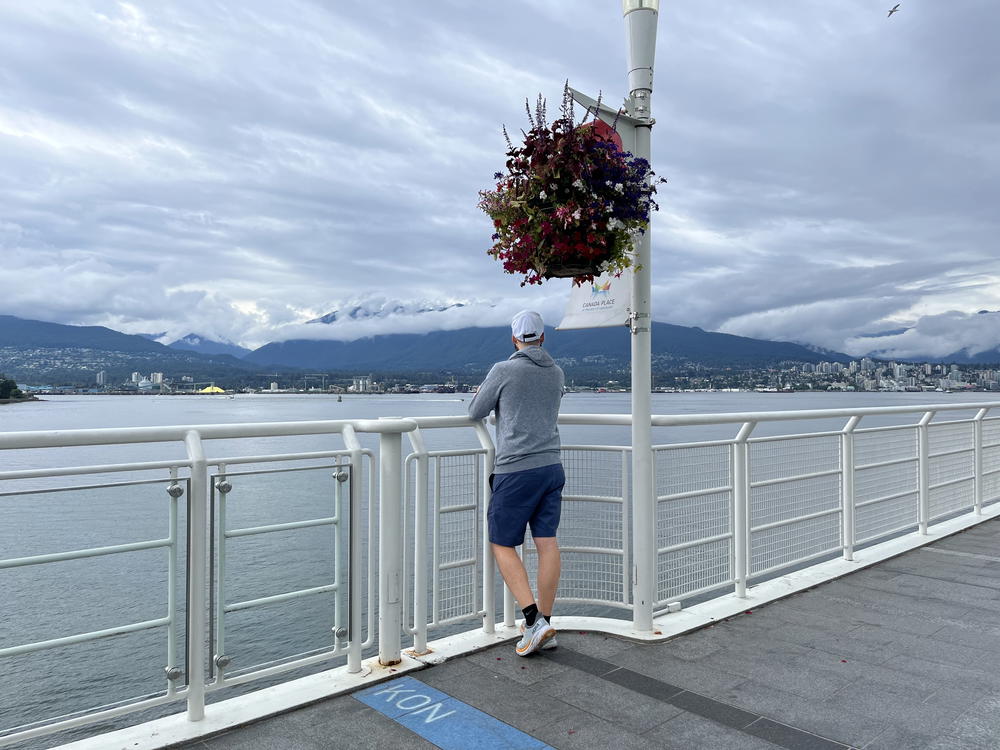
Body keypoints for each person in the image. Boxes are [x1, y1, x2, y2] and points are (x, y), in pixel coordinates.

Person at [468, 310, 565, 656]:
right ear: (543, 338)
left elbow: (474, 411)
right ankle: (547, 622)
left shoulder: (503, 370)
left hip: (516, 469)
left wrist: (486, 392)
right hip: (551, 467)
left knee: (502, 543)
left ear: (514, 339)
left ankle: (532, 619)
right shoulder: (556, 373)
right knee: (547, 543)